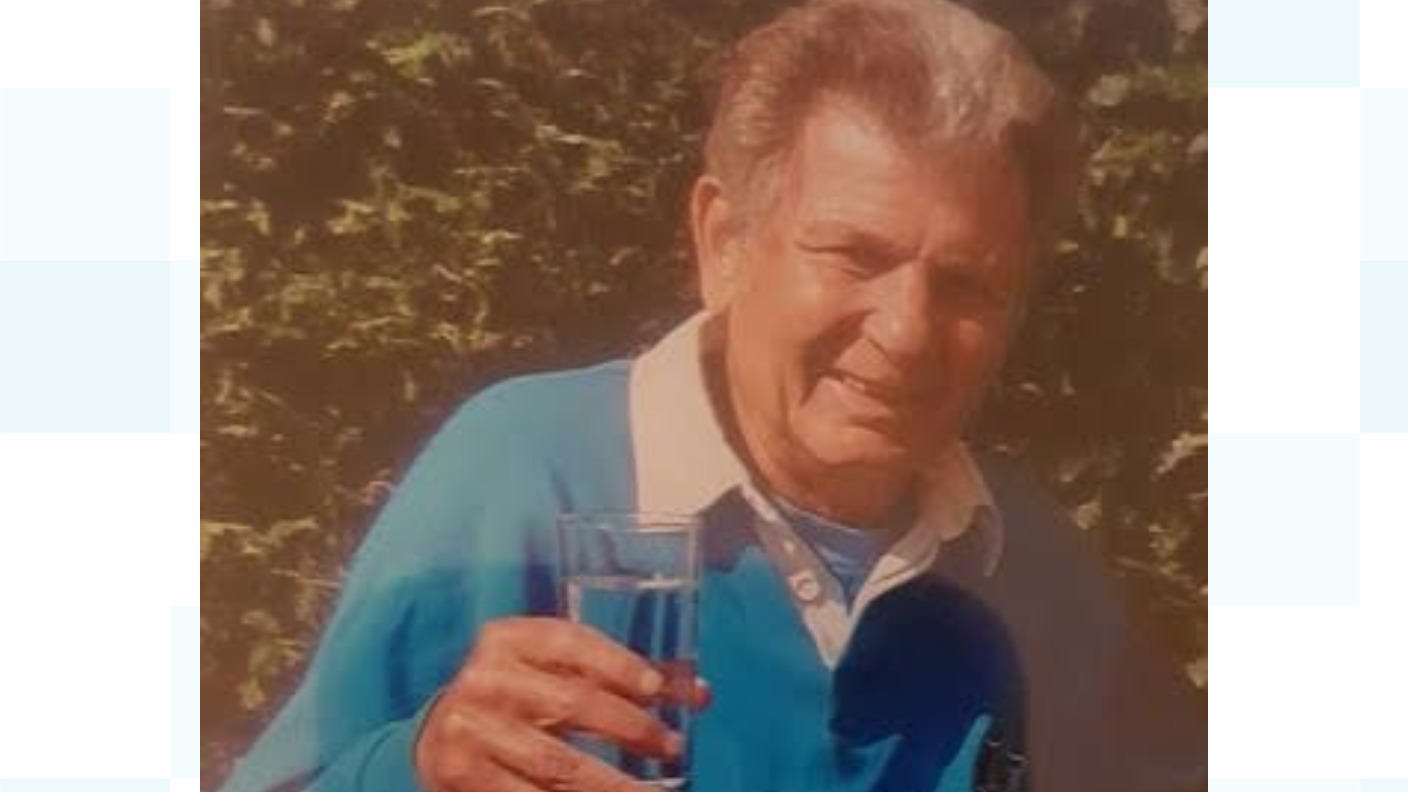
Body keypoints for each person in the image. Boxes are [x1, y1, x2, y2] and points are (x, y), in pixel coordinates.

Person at [219, 0, 1205, 790]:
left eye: (966, 286)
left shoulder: (1025, 569)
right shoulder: (522, 477)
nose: (908, 331)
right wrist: (415, 765)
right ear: (724, 243)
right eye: (853, 255)